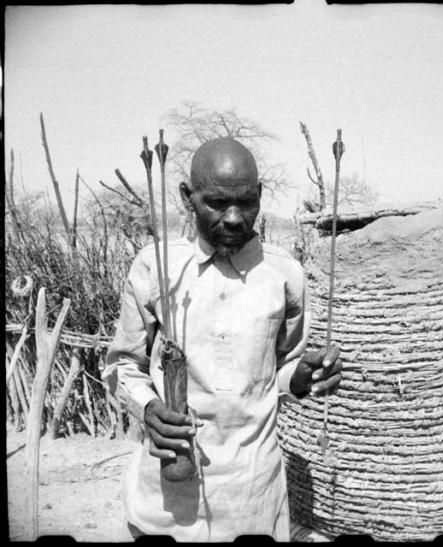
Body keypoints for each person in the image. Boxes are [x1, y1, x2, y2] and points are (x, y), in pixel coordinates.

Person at [104, 137, 342, 541]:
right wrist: (148, 409)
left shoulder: (285, 275)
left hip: (252, 498)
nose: (234, 218)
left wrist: (302, 378)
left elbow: (281, 374)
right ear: (187, 197)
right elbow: (123, 365)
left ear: (260, 197)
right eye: (216, 203)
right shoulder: (155, 267)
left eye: (246, 202)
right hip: (167, 499)